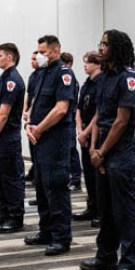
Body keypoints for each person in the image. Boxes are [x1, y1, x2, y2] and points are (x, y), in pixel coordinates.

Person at [79, 30, 135, 270]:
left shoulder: (128, 77)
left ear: (117, 47)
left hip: (119, 149)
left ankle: (132, 264)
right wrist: (93, 148)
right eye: (101, 43)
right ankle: (106, 254)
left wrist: (102, 151)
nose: (101, 48)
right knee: (105, 207)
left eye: (106, 44)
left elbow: (121, 121)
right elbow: (98, 114)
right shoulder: (104, 76)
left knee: (124, 210)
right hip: (101, 147)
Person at [24, 35, 75, 256]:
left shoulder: (64, 74)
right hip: (39, 138)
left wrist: (39, 128)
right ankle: (46, 231)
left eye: (43, 51)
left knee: (56, 187)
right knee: (42, 187)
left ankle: (61, 237)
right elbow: (36, 102)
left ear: (54, 51)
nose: (39, 55)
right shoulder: (43, 73)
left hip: (55, 139)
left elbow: (61, 109)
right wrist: (29, 125)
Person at [0, 43, 26, 233]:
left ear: (10, 57)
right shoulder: (4, 77)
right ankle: (4, 211)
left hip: (8, 138)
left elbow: (4, 113)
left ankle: (15, 216)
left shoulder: (13, 80)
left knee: (10, 179)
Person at [73, 51, 103, 227]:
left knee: (96, 175)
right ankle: (91, 206)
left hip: (95, 134)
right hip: (83, 133)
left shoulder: (101, 83)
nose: (85, 65)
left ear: (97, 64)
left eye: (88, 62)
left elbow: (99, 112)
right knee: (88, 176)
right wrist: (80, 130)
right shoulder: (86, 83)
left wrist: (86, 132)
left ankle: (100, 209)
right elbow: (78, 109)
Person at [60, 52, 82, 191]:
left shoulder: (69, 78)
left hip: (69, 118)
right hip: (66, 119)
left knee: (71, 149)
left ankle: (76, 179)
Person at [23, 51, 40, 183]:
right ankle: (34, 171)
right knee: (32, 148)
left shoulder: (43, 76)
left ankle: (37, 174)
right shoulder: (32, 76)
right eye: (32, 59)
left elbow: (36, 98)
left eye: (35, 59)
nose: (32, 61)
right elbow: (28, 95)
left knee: (39, 149)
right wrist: (25, 110)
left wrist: (31, 111)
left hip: (38, 117)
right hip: (30, 116)